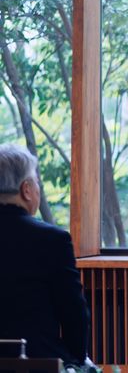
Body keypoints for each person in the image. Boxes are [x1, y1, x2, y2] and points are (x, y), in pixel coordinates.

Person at [0, 144, 90, 367]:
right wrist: (75, 363)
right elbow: (73, 313)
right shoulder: (52, 239)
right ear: (26, 189)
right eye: (37, 183)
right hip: (36, 362)